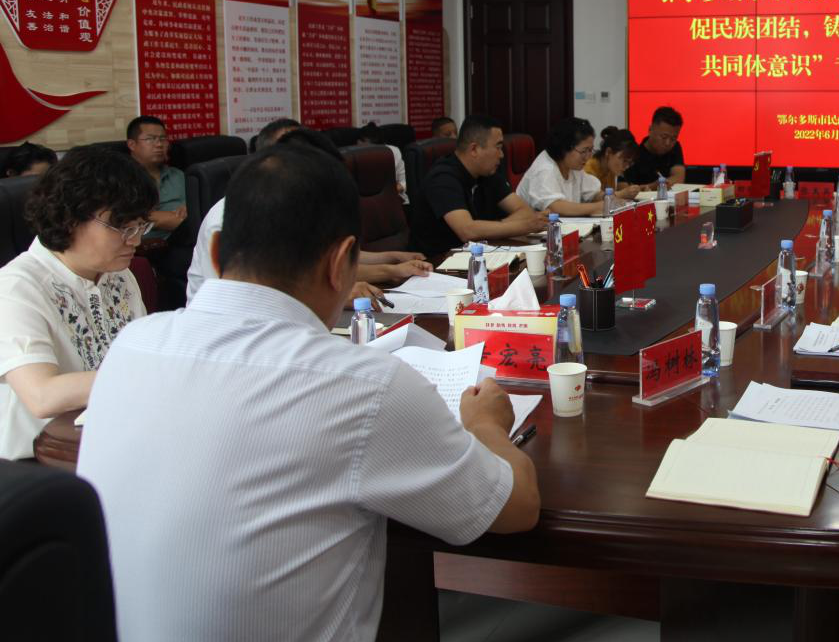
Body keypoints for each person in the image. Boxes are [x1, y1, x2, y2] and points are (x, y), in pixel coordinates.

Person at [77, 142, 539, 641]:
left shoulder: (132, 346)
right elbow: (516, 510)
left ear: (215, 251)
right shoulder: (364, 386)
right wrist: (486, 427)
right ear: (342, 263)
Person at [0, 147, 153, 460]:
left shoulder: (118, 275)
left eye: (140, 226)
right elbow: (42, 394)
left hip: (107, 441)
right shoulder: (16, 287)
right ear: (70, 218)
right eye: (123, 227)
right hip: (38, 460)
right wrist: (149, 375)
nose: (135, 240)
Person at [185, 128, 430, 303]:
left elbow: (325, 258)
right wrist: (336, 295)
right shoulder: (228, 218)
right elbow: (240, 300)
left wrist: (390, 262)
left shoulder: (295, 206)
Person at [416, 114, 548, 255]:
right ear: (474, 149)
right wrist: (524, 226)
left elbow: (524, 211)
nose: (502, 155)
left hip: (482, 252)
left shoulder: (487, 172)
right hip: (439, 260)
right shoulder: (442, 178)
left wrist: (489, 228)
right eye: (498, 147)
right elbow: (467, 231)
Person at [518, 117, 636, 215]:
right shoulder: (545, 169)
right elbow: (555, 207)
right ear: (565, 147)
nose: (588, 156)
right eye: (584, 151)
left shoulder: (573, 166)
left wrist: (611, 200)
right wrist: (599, 206)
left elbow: (593, 194)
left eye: (590, 150)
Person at [126, 115, 186, 240]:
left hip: (187, 239)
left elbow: (197, 207)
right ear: (132, 144)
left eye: (163, 139)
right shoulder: (121, 179)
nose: (159, 144)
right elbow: (131, 218)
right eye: (150, 139)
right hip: (146, 246)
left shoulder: (178, 175)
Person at [624, 106, 686, 187]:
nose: (668, 143)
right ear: (650, 130)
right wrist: (653, 186)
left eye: (673, 139)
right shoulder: (634, 154)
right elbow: (624, 187)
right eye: (664, 137)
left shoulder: (675, 147)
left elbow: (679, 178)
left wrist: (661, 184)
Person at [355, 122, 409, 204]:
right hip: (365, 203)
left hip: (394, 200)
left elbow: (404, 183)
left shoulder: (393, 152)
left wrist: (386, 192)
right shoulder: (353, 158)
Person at [586, 128, 640, 192]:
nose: (627, 166)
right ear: (608, 152)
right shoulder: (588, 171)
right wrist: (622, 194)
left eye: (629, 163)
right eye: (624, 160)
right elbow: (596, 197)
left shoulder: (611, 169)